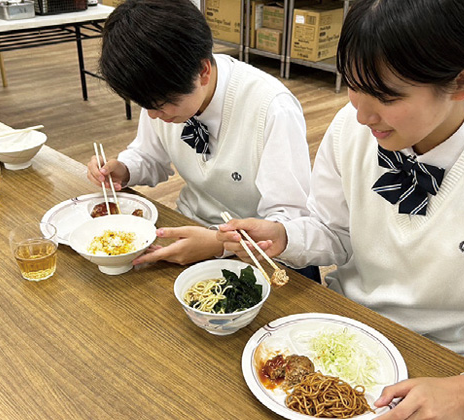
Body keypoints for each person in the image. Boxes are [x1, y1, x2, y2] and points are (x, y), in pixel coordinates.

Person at [218, 0, 464, 418]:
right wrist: (287, 236)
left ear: (462, 83)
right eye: (352, 83)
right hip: (341, 336)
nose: (360, 113)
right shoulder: (353, 125)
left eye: (385, 95)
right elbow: (336, 234)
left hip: (454, 366)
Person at [87, 0, 315, 275]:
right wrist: (124, 169)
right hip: (189, 227)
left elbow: (287, 221)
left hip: (261, 257)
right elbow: (148, 156)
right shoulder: (161, 96)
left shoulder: (271, 107)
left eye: (162, 104)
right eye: (145, 105)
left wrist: (219, 245)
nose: (154, 115)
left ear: (203, 71)